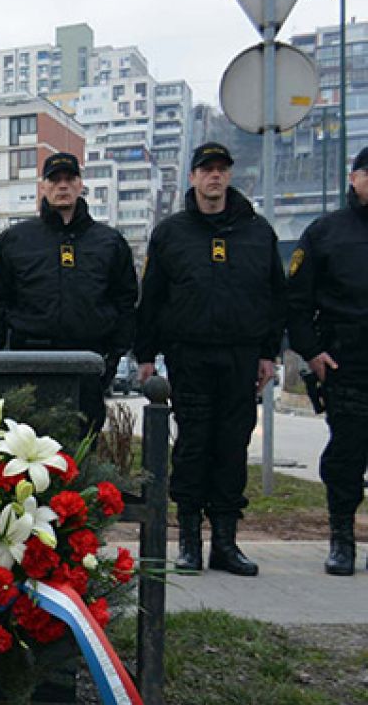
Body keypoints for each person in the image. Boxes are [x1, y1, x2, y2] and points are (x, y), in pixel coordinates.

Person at [135, 143, 286, 577]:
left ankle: (225, 542)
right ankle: (187, 543)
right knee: (193, 446)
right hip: (189, 355)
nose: (214, 177)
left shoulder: (257, 232)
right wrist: (145, 354)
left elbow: (276, 296)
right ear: (193, 178)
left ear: (229, 176)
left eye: (221, 169)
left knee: (232, 448)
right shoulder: (172, 233)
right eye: (207, 170)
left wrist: (268, 353)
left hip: (241, 356)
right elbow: (153, 298)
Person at [0, 153, 138, 434]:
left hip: (88, 361)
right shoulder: (16, 240)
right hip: (29, 360)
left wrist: (113, 358)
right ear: (43, 187)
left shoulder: (109, 242)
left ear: (80, 185)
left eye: (69, 179)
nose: (62, 186)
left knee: (83, 455)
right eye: (55, 179)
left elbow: (125, 301)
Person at [286, 146, 368, 576]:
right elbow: (296, 302)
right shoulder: (327, 233)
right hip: (347, 363)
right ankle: (342, 541)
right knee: (347, 458)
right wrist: (312, 350)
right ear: (354, 179)